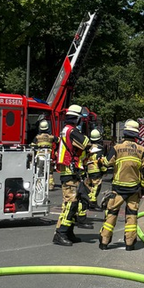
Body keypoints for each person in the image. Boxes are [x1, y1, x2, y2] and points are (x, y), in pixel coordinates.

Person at [98, 119, 144, 251]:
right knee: (132, 215)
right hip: (134, 189)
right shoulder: (141, 150)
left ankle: (104, 242)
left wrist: (99, 161)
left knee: (111, 213)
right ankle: (129, 243)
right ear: (136, 136)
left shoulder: (116, 148)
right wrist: (143, 188)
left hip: (117, 188)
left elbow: (106, 163)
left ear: (125, 134)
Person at [53, 104, 90, 246]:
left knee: (74, 204)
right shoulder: (72, 131)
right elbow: (85, 143)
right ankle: (60, 233)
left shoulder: (65, 130)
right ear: (78, 119)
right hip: (69, 172)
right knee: (70, 204)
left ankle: (68, 232)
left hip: (70, 171)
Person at [84, 129, 106, 210]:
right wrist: (104, 169)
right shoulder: (100, 148)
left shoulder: (89, 147)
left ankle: (88, 201)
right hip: (96, 169)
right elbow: (100, 159)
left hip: (89, 169)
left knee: (90, 186)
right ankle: (93, 202)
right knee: (97, 185)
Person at [33, 120, 56, 190]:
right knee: (50, 172)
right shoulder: (51, 137)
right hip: (49, 156)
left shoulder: (37, 137)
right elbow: (58, 141)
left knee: (39, 170)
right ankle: (50, 185)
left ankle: (39, 184)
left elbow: (33, 145)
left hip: (40, 156)